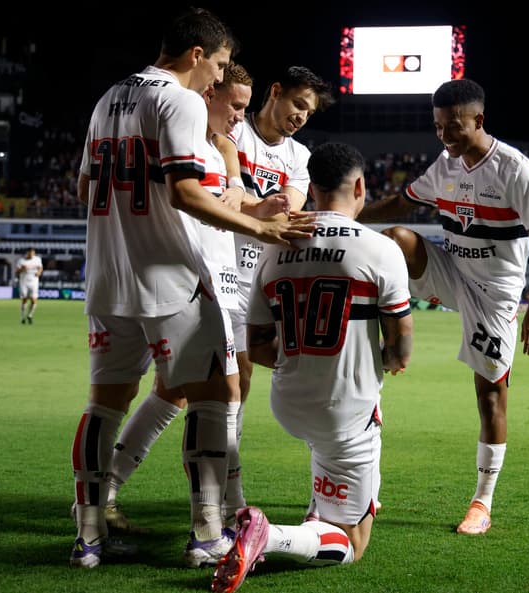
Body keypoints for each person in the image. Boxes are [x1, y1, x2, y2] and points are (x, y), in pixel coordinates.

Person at [70, 9, 314, 569]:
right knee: (215, 395)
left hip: (107, 278)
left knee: (103, 405)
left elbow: (86, 187)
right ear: (198, 54)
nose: (217, 78)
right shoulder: (177, 99)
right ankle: (207, 533)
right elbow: (183, 193)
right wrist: (261, 226)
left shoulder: (108, 98)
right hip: (170, 276)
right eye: (220, 64)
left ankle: (87, 540)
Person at [100, 62, 288, 547]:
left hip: (212, 282)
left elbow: (230, 191)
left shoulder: (220, 142)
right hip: (179, 282)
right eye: (234, 104)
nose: (239, 119)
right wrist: (249, 212)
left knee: (184, 391)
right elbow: (191, 197)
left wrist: (249, 202)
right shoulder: (175, 128)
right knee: (206, 393)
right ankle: (215, 520)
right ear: (208, 91)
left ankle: (115, 497)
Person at [210, 142, 413, 593]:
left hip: (288, 400)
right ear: (359, 186)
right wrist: (375, 364)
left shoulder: (275, 248)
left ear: (313, 189)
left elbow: (258, 346)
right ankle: (270, 536)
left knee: (330, 456)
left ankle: (320, 509)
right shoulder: (380, 249)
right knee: (353, 545)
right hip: (345, 407)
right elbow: (401, 350)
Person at [357, 78, 529, 535]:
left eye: (453, 127)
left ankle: (482, 503)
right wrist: (345, 214)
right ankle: (387, 349)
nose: (444, 136)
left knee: (489, 394)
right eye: (438, 126)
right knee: (396, 242)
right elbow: (399, 203)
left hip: (495, 294)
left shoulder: (515, 170)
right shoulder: (444, 164)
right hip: (451, 271)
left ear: (478, 120)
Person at [219, 65, 334, 519]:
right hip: (223, 275)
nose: (302, 116)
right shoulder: (232, 129)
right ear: (275, 92)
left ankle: (342, 484)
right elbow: (233, 191)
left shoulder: (301, 156)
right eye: (298, 104)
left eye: (310, 112)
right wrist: (257, 206)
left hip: (269, 284)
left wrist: (252, 204)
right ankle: (227, 495)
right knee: (229, 387)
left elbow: (288, 209)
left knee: (309, 379)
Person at [15, 247, 43, 324]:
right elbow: (16, 271)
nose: (31, 254)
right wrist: (22, 269)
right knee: (24, 299)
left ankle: (30, 315)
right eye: (30, 253)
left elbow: (40, 268)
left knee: (33, 300)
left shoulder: (37, 259)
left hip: (34, 282)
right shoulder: (21, 261)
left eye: (33, 253)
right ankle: (23, 317)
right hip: (24, 282)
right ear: (27, 253)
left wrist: (39, 273)